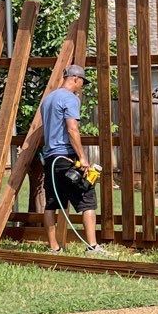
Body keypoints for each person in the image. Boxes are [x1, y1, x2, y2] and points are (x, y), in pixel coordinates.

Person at [39, 64, 101, 254]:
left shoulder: (48, 100)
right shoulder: (70, 99)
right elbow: (72, 128)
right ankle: (92, 246)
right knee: (87, 198)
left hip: (50, 160)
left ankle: (54, 247)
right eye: (82, 82)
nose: (81, 86)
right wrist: (82, 158)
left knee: (51, 203)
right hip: (66, 158)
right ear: (75, 79)